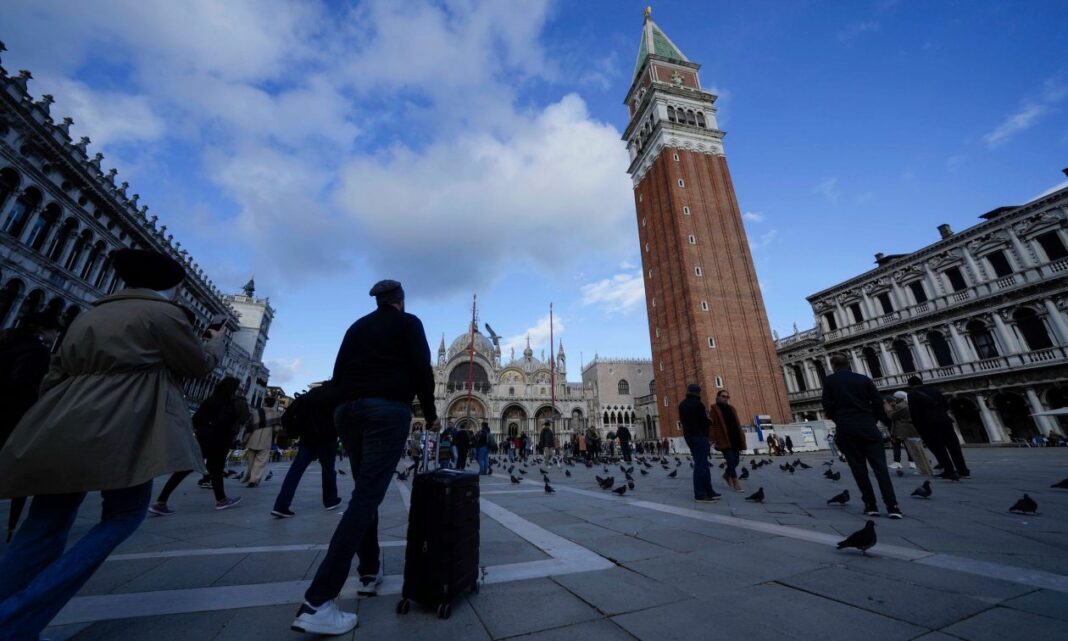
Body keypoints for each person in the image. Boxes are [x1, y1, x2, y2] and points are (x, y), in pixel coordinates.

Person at [0, 249, 224, 639]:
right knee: (124, 514)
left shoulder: (90, 314)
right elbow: (198, 365)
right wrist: (216, 343)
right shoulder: (163, 314)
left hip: (64, 419)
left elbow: (54, 375)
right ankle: (15, 618)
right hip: (125, 421)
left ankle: (10, 610)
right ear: (169, 285)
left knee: (43, 525)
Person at [292, 279, 439, 636]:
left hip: (347, 413)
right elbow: (423, 370)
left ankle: (369, 572)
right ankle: (317, 601)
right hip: (386, 412)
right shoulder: (409, 323)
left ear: (378, 302)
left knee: (364, 493)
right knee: (365, 498)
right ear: (400, 300)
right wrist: (431, 413)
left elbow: (338, 374)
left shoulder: (356, 327)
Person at [0, 309, 63, 542]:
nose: (56, 335)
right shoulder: (36, 352)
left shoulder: (7, 342)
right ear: (45, 330)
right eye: (56, 331)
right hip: (11, 419)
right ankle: (12, 528)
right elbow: (25, 388)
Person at [150, 376, 248, 515]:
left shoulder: (210, 400)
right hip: (219, 441)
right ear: (232, 389)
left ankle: (161, 500)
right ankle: (221, 499)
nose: (241, 391)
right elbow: (234, 421)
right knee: (216, 470)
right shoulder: (230, 404)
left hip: (202, 439)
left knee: (189, 469)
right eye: (239, 388)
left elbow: (195, 420)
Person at [821, 354, 902, 518]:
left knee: (859, 470)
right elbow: (878, 402)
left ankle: (871, 505)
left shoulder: (830, 381)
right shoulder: (864, 380)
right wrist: (873, 420)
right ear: (848, 364)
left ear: (833, 366)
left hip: (847, 429)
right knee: (881, 469)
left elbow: (827, 405)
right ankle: (892, 507)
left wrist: (840, 419)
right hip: (868, 427)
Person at [271, 383, 343, 518]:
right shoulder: (334, 396)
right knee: (328, 469)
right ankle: (330, 500)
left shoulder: (308, 396)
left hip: (307, 438)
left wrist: (296, 431)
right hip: (327, 438)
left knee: (295, 471)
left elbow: (287, 416)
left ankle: (281, 506)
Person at [907, 375, 970, 480]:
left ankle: (949, 471)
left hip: (929, 425)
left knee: (939, 449)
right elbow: (946, 405)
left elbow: (915, 413)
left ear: (910, 385)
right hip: (945, 421)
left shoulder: (912, 395)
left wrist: (919, 429)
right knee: (954, 447)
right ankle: (963, 471)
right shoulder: (935, 390)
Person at [679, 384, 721, 503]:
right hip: (699, 436)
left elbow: (683, 421)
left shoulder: (682, 404)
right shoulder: (698, 404)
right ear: (698, 393)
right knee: (701, 465)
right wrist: (709, 421)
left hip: (689, 437)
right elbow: (703, 422)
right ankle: (700, 494)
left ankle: (709, 491)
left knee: (703, 464)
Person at [709, 389, 745, 492]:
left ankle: (726, 474)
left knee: (736, 461)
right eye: (723, 396)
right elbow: (712, 425)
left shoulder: (732, 408)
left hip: (735, 438)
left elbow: (737, 423)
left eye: (727, 397)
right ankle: (735, 481)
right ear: (718, 397)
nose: (725, 398)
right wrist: (712, 438)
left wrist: (741, 435)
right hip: (724, 439)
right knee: (730, 460)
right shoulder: (714, 409)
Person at [242, 396, 282, 487]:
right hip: (265, 441)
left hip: (252, 439)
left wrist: (245, 440)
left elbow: (249, 427)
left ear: (265, 403)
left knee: (251, 461)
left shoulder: (256, 412)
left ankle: (248, 476)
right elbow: (276, 429)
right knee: (260, 462)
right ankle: (253, 480)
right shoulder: (276, 414)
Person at [886, 392, 918, 472]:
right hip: (906, 428)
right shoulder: (906, 404)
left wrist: (889, 409)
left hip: (900, 428)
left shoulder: (900, 406)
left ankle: (898, 462)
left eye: (895, 397)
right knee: (907, 445)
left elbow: (892, 416)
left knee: (897, 445)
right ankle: (911, 462)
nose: (894, 399)